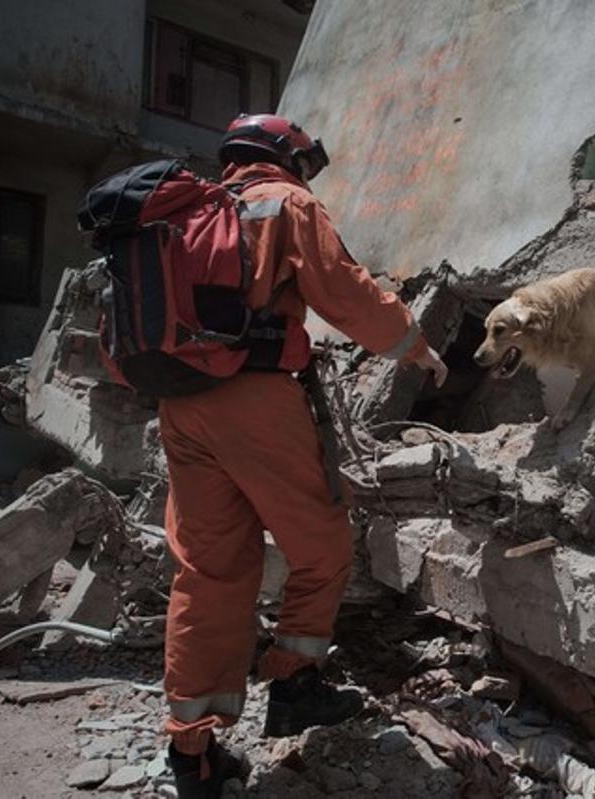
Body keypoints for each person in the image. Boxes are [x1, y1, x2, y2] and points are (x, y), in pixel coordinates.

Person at [160, 113, 448, 798]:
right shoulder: (286, 203)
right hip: (254, 397)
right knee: (322, 541)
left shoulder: (187, 212)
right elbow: (343, 290)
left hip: (179, 403)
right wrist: (416, 346)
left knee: (209, 570)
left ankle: (192, 755)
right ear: (286, 157)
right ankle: (294, 683)